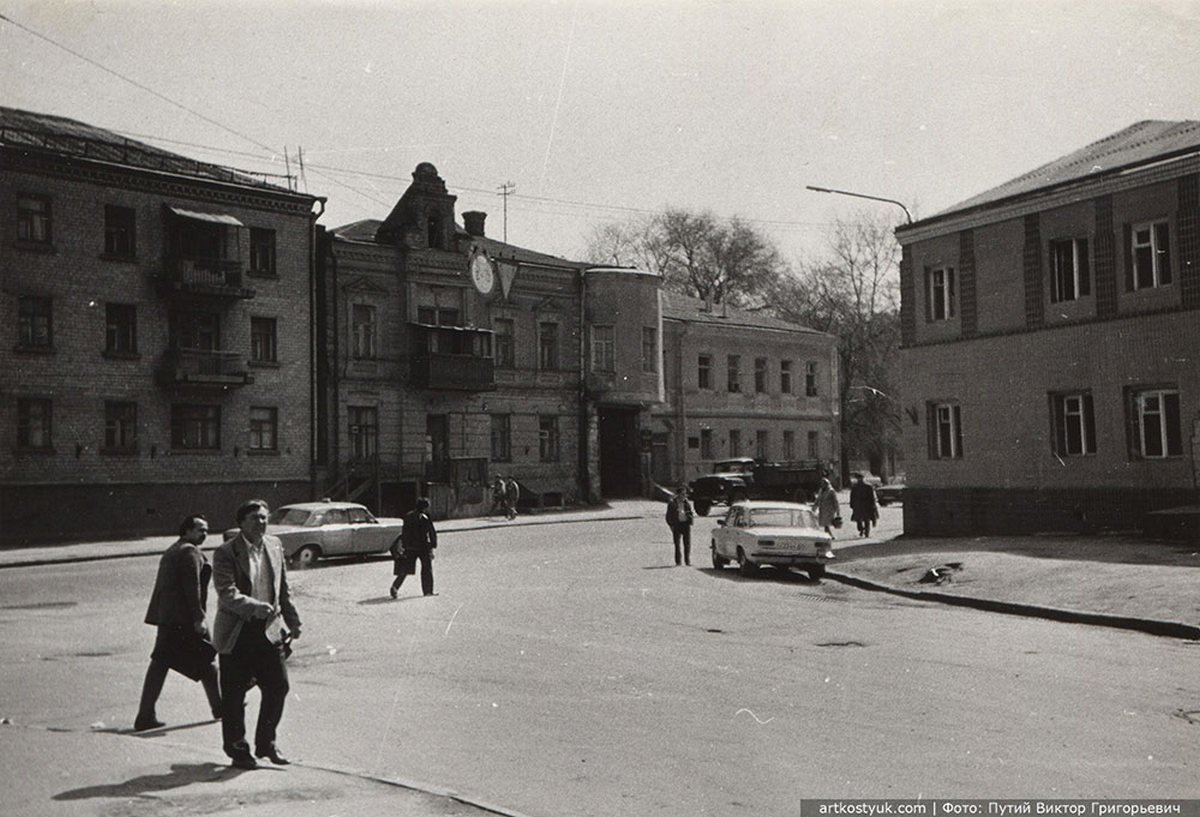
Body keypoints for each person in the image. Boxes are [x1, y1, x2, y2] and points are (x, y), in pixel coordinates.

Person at [213, 499, 302, 770]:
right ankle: (238, 749)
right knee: (234, 695)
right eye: (254, 518)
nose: (261, 523)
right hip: (238, 631)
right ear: (241, 523)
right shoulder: (226, 552)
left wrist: (292, 619)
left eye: (264, 518)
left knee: (278, 686)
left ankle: (266, 744)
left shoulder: (274, 546)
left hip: (269, 630)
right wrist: (255, 607)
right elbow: (226, 593)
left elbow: (282, 588)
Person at [134, 514, 223, 731]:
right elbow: (192, 588)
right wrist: (198, 617)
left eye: (206, 530)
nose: (205, 534)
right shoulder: (189, 551)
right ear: (187, 531)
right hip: (184, 620)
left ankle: (145, 715)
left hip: (168, 618)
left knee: (161, 663)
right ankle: (221, 708)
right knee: (207, 661)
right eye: (200, 529)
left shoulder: (173, 549)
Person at [390, 497, 438, 598]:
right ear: (425, 508)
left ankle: (395, 587)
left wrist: (404, 545)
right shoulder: (425, 517)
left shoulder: (408, 516)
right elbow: (431, 532)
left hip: (411, 547)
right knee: (426, 569)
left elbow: (405, 533)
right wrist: (432, 547)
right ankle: (428, 591)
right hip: (423, 547)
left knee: (405, 569)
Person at [665, 486, 695, 566]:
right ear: (678, 495)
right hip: (677, 525)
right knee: (677, 544)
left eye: (685, 494)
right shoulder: (672, 504)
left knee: (687, 543)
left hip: (685, 524)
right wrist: (671, 525)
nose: (684, 496)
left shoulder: (686, 503)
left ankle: (687, 561)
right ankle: (678, 561)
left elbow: (690, 512)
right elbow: (668, 516)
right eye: (683, 494)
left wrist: (690, 519)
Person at [849, 473, 879, 538]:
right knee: (859, 520)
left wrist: (873, 504)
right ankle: (862, 530)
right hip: (859, 505)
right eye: (858, 479)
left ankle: (866, 532)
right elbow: (852, 496)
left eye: (860, 478)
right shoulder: (855, 487)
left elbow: (872, 497)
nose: (859, 480)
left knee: (866, 519)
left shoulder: (868, 487)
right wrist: (852, 504)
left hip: (865, 505)